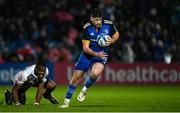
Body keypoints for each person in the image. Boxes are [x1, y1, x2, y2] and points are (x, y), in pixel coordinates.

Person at [59, 8, 119, 108]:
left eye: (99, 19)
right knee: (75, 78)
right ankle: (66, 103)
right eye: (96, 20)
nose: (98, 22)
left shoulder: (109, 24)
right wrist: (96, 54)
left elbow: (116, 34)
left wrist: (112, 40)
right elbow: (85, 48)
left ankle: (84, 90)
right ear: (91, 19)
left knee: (95, 74)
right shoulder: (87, 28)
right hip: (88, 55)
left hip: (102, 55)